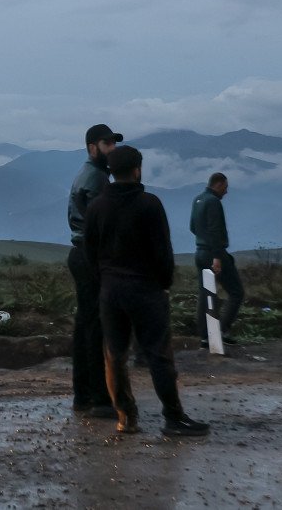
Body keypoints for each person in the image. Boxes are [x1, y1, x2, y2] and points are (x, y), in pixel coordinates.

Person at [84, 146, 210, 436]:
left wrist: (103, 280)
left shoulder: (97, 206)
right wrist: (164, 284)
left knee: (115, 355)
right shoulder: (149, 204)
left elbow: (89, 253)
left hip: (110, 291)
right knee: (158, 354)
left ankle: (126, 417)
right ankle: (173, 417)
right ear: (138, 169)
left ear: (111, 172)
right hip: (145, 290)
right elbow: (163, 253)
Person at [66, 124, 121, 419]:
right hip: (91, 256)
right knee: (96, 327)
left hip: (81, 254)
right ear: (91, 147)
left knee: (85, 325)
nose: (111, 148)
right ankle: (99, 397)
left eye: (113, 143)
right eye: (106, 143)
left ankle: (83, 394)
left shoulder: (91, 174)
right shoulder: (97, 178)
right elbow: (104, 224)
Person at [191, 172, 244, 347]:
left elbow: (193, 226)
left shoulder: (198, 199)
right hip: (214, 254)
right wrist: (216, 255)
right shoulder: (213, 202)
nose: (226, 192)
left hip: (200, 252)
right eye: (225, 187)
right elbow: (215, 230)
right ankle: (221, 330)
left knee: (206, 294)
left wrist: (203, 241)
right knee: (236, 291)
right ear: (219, 184)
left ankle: (205, 337)